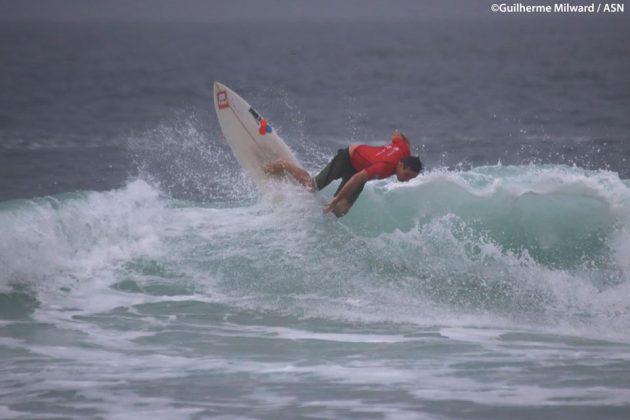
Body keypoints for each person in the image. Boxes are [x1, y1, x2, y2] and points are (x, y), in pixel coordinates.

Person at [264, 131, 422, 217]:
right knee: (312, 186)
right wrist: (335, 199)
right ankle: (283, 164)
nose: (407, 180)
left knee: (341, 210)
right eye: (407, 175)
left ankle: (322, 212)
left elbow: (397, 135)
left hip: (361, 167)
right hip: (349, 157)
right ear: (400, 164)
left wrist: (337, 203)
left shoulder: (405, 151)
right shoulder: (385, 166)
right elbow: (356, 179)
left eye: (411, 178)